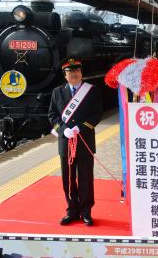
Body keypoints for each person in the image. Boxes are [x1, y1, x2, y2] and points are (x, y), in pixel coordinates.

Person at [48, 58, 103, 226]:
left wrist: (80, 128)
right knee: (68, 178)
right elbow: (52, 115)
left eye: (77, 71)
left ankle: (86, 212)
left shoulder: (91, 91)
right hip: (66, 143)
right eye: (70, 72)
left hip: (84, 140)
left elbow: (97, 114)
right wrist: (63, 129)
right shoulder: (57, 92)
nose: (74, 74)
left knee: (85, 178)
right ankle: (72, 211)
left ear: (81, 73)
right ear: (65, 75)